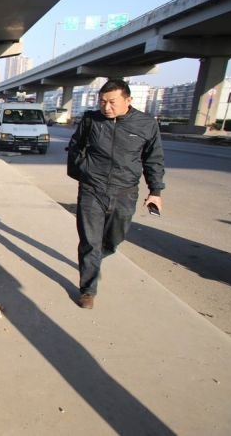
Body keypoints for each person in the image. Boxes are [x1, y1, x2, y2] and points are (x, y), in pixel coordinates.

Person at [67, 79, 165, 309]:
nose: (106, 107)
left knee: (114, 239)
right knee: (90, 241)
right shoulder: (92, 120)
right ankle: (88, 290)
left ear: (128, 100)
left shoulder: (145, 124)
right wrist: (83, 172)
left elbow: (154, 158)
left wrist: (155, 191)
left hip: (125, 192)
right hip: (92, 190)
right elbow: (75, 147)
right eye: (102, 102)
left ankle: (96, 260)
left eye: (112, 102)